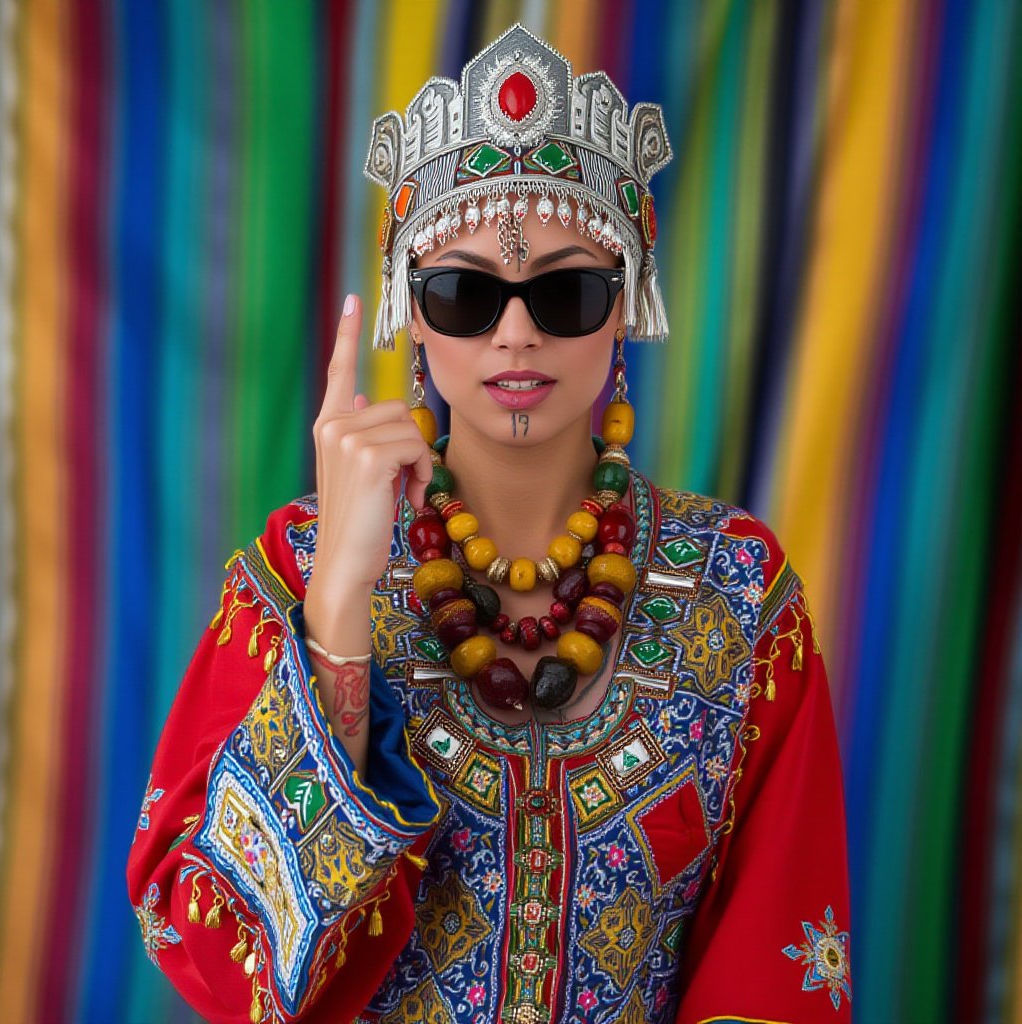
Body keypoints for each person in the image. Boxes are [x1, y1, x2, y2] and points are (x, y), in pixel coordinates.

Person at [127, 24, 852, 1024]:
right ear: (409, 312)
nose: (517, 330)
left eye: (565, 289)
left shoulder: (736, 597)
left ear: (627, 302)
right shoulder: (295, 568)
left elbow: (775, 971)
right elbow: (211, 956)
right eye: (465, 292)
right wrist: (337, 608)